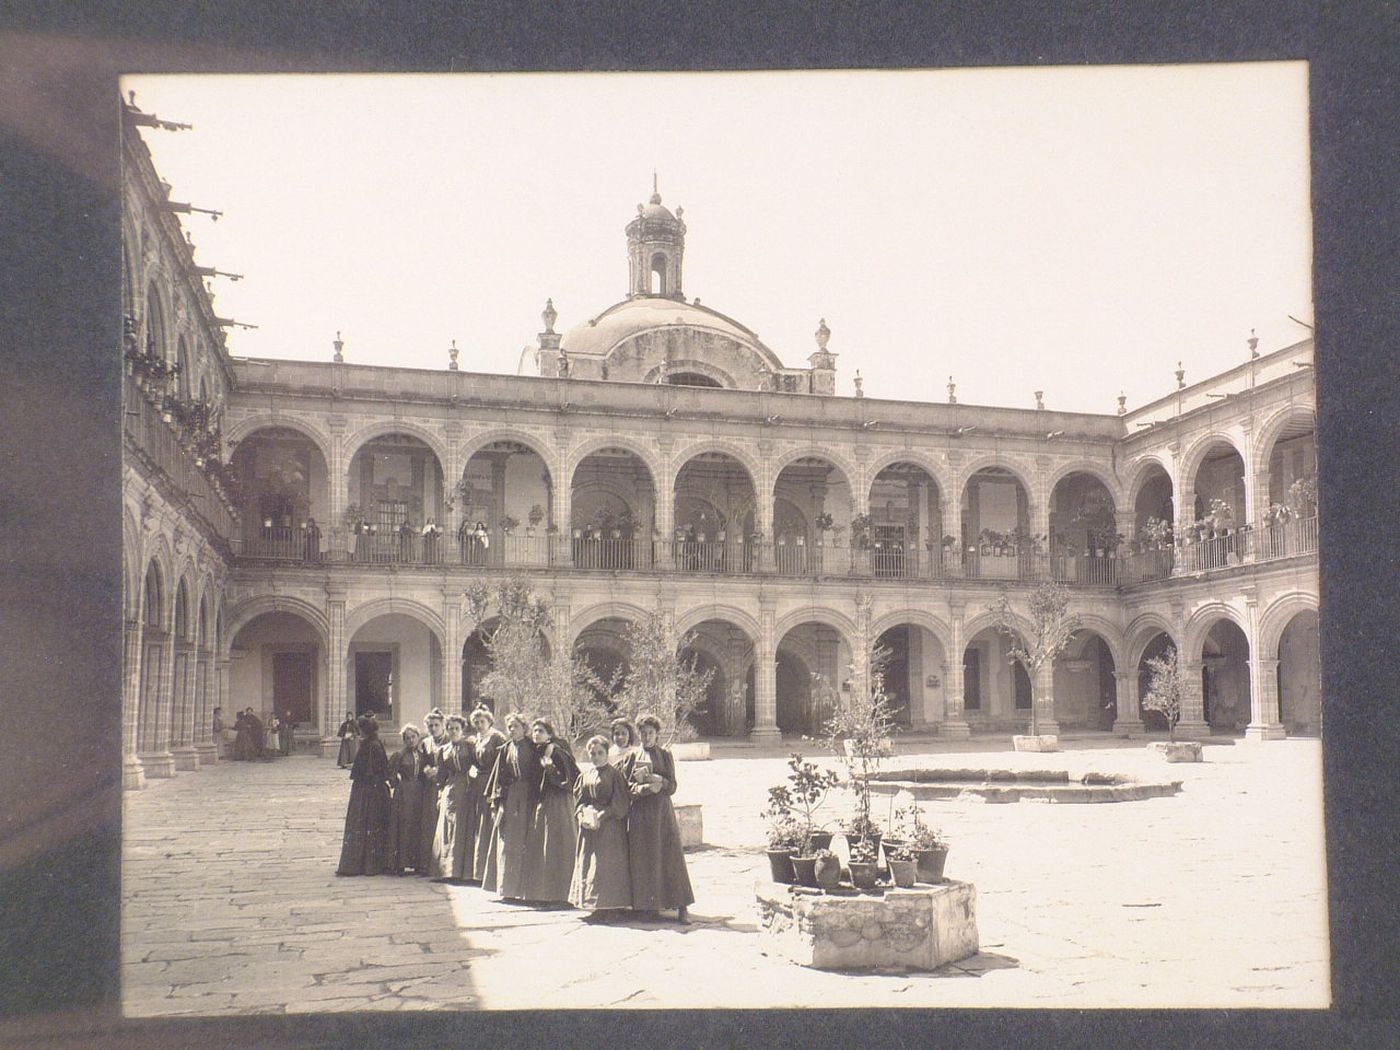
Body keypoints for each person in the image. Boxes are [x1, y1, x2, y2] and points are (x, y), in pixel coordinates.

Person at [618, 713, 694, 923]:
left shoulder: (665, 755)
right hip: (641, 814)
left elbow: (673, 786)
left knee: (670, 856)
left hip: (662, 812)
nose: (647, 737)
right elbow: (627, 788)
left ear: (657, 735)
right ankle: (647, 906)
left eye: (651, 733)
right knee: (644, 859)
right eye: (643, 733)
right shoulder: (632, 757)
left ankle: (681, 905)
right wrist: (643, 788)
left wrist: (661, 781)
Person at [571, 734, 633, 922]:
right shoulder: (585, 775)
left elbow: (621, 803)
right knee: (591, 866)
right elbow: (579, 800)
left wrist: (602, 815)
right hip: (589, 828)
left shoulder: (615, 775)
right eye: (592, 753)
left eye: (600, 753)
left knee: (607, 866)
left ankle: (612, 907)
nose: (596, 757)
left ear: (607, 753)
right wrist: (581, 813)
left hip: (610, 827)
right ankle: (596, 905)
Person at [522, 719, 579, 905]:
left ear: (549, 734)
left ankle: (561, 896)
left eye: (540, 730)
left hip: (558, 802)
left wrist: (551, 769)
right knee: (543, 846)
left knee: (557, 846)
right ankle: (545, 894)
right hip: (544, 802)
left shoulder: (557, 751)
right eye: (534, 730)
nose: (536, 734)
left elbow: (571, 780)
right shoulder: (538, 751)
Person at [484, 712, 540, 900]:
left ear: (524, 728)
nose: (512, 730)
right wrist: (498, 803)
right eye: (509, 727)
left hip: (529, 798)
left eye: (516, 726)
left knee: (527, 840)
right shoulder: (504, 749)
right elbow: (499, 778)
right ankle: (507, 889)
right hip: (510, 797)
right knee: (508, 841)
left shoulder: (533, 748)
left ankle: (526, 892)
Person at [337, 714, 392, 876]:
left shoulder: (371, 745)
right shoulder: (374, 744)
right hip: (373, 790)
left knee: (366, 824)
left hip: (368, 792)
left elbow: (369, 771)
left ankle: (366, 864)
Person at [430, 715, 477, 882]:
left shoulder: (470, 746)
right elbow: (441, 776)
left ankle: (463, 871)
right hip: (450, 790)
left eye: (457, 728)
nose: (453, 731)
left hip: (467, 788)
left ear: (462, 730)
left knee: (463, 827)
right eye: (450, 728)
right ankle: (446, 870)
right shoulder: (443, 750)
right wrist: (439, 793)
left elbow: (477, 765)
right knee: (447, 827)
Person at [468, 707, 507, 884]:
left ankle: (491, 871)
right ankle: (479, 870)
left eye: (482, 721)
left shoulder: (497, 738)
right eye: (476, 722)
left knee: (489, 822)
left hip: (493, 781)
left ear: (489, 721)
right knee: (480, 823)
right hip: (479, 782)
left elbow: (502, 762)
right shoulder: (476, 739)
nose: (479, 725)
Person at [387, 725, 427, 875]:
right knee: (404, 825)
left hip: (418, 792)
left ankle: (416, 862)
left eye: (413, 737)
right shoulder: (399, 755)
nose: (411, 740)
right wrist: (397, 784)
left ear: (418, 737)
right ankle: (401, 863)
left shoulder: (423, 755)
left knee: (417, 826)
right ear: (404, 740)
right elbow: (391, 774)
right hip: (404, 793)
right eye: (407, 738)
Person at [415, 709, 448, 875]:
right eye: (430, 726)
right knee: (429, 824)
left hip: (445, 785)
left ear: (443, 725)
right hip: (429, 788)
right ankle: (427, 864)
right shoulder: (425, 742)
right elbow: (422, 763)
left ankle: (443, 865)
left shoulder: (449, 740)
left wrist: (440, 771)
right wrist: (427, 769)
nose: (434, 728)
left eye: (436, 725)